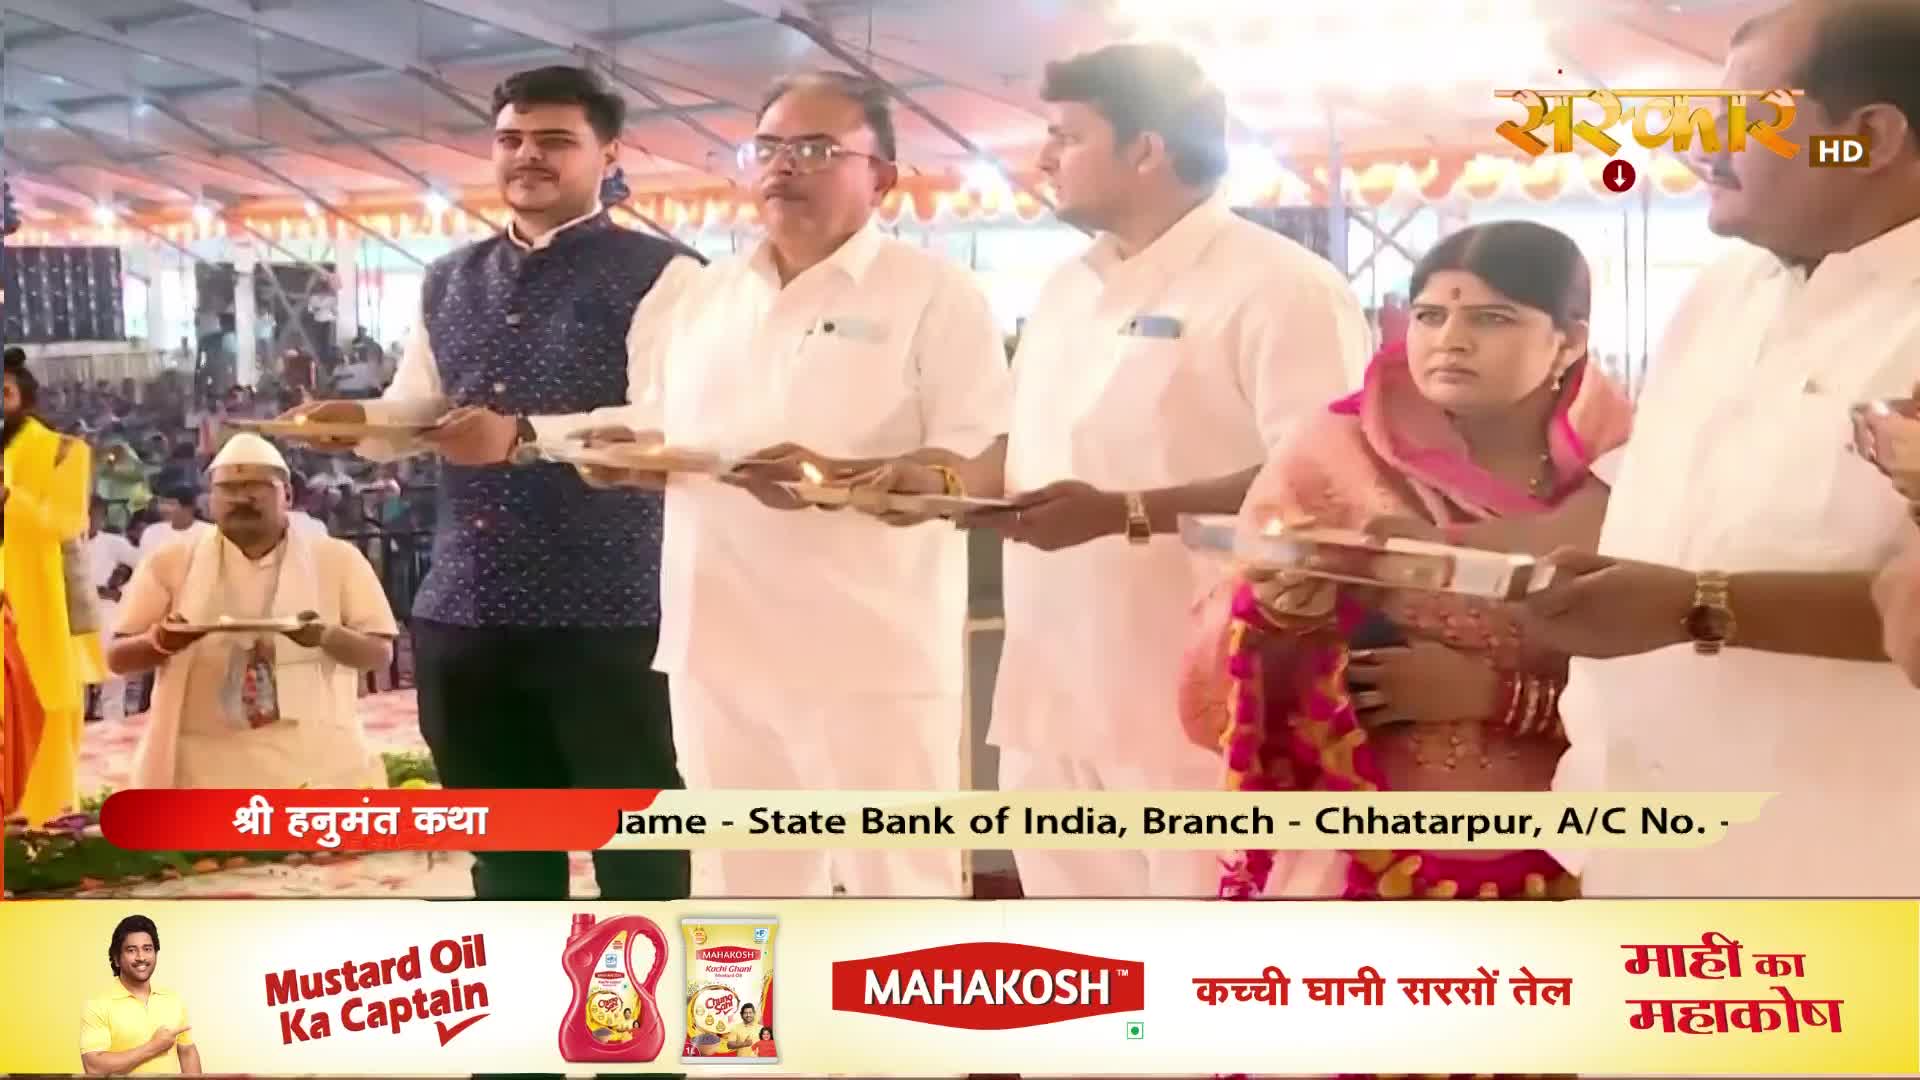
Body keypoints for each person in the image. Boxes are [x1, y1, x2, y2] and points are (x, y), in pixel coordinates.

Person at [852, 43, 1371, 897]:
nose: (1044, 158)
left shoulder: (1281, 288)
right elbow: (1021, 453)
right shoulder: (1067, 289)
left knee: (1202, 979)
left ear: (1147, 149)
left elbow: (1330, 487)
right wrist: (935, 482)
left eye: (1066, 135)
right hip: (1050, 696)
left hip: (1200, 705)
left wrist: (1128, 510)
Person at [577, 71, 1008, 898]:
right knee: (739, 880)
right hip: (718, 643)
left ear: (881, 176)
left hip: (868, 651)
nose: (784, 167)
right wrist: (615, 451)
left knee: (896, 880)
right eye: (767, 148)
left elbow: (980, 456)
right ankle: (740, 1032)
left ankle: (901, 1029)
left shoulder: (934, 294)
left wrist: (848, 479)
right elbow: (662, 421)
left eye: (817, 149)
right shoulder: (701, 294)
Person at [277, 66, 701, 901]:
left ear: (607, 153)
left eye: (554, 141)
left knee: (638, 845)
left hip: (613, 612)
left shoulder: (667, 274)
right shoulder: (449, 277)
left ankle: (644, 1023)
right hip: (466, 609)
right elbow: (418, 404)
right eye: (511, 139)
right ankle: (523, 1010)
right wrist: (355, 424)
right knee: (502, 847)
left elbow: (664, 420)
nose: (527, 157)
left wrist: (526, 438)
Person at [1529, 0, 1920, 897]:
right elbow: (1665, 518)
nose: (1704, 138)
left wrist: (1700, 607)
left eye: (1745, 112)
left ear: (1866, 136)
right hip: (1641, 841)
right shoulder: (1723, 292)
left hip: (1847, 870)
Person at [1179, 222, 1631, 900]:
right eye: (1429, 315)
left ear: (1568, 340)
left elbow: (1677, 681)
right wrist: (1283, 617)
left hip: (1571, 846)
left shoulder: (1625, 476)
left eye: (1492, 318)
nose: (1450, 338)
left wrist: (1502, 698)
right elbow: (1220, 670)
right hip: (1357, 844)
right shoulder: (1330, 454)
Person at [107, 434, 398, 789]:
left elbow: (379, 654)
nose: (241, 499)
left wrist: (325, 635)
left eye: (256, 488)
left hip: (316, 763)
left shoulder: (336, 559)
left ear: (287, 496)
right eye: (228, 489)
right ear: (209, 499)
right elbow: (117, 658)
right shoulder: (170, 562)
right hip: (201, 767)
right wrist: (162, 641)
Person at [3, 347, 97, 826]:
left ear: (24, 397)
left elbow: (66, 522)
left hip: (35, 597)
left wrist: (9, 497)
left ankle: (43, 811)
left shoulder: (65, 451)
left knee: (46, 702)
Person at [80, 914, 200, 1075]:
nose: (141, 957)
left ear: (155, 954)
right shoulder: (97, 1005)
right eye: (131, 950)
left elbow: (187, 1051)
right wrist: (154, 1047)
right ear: (116, 959)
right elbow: (95, 1067)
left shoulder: (173, 1000)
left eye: (147, 949)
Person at [88, 498, 139, 725]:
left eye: (96, 515)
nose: (91, 520)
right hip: (73, 612)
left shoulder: (113, 543)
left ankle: (113, 727)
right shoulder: (64, 542)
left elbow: (144, 565)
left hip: (106, 610)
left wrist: (120, 587)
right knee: (75, 676)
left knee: (111, 672)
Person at [135, 484, 212, 564]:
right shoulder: (151, 531)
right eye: (162, 503)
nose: (164, 509)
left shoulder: (209, 533)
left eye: (171, 504)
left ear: (189, 508)